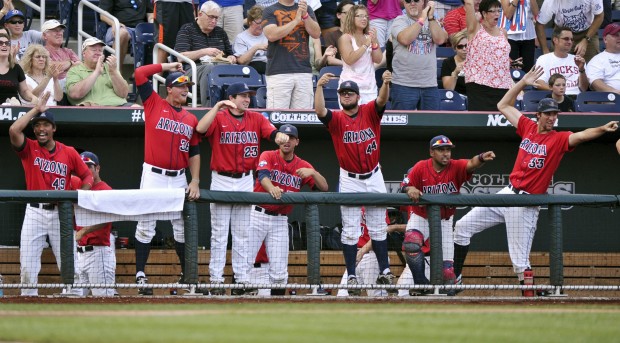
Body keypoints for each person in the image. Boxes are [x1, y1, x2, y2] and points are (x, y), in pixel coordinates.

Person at [453, 66, 619, 295]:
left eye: (554, 114)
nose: (552, 117)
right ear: (538, 115)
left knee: (519, 262)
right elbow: (503, 105)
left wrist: (601, 128)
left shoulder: (558, 139)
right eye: (548, 114)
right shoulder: (528, 127)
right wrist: (522, 83)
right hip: (508, 194)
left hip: (526, 203)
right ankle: (456, 279)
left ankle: (532, 300)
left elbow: (580, 136)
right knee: (462, 227)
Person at [196, 82, 287, 295]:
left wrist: (279, 136)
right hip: (221, 179)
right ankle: (216, 280)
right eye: (242, 96)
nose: (247, 99)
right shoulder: (218, 117)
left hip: (246, 179)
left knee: (242, 234)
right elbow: (200, 129)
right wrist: (218, 106)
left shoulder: (255, 118)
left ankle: (241, 280)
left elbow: (271, 133)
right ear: (231, 98)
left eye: (249, 96)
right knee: (219, 234)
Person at [315, 71, 396, 294]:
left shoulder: (369, 111)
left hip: (374, 174)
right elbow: (320, 110)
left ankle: (385, 271)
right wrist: (320, 88)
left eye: (350, 92)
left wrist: (385, 83)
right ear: (339, 97)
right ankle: (351, 274)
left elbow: (381, 100)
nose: (346, 95)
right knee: (350, 230)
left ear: (358, 96)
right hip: (350, 178)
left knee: (378, 227)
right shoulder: (337, 119)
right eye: (343, 93)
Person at [8, 92, 94, 296]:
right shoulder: (29, 148)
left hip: (60, 213)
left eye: (45, 124)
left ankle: (73, 302)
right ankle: (29, 305)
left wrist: (80, 196)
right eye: (37, 125)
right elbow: (13, 130)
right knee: (28, 266)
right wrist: (36, 110)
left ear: (53, 128)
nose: (40, 129)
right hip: (34, 212)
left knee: (68, 263)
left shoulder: (69, 152)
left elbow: (87, 176)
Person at [133, 62, 202, 295]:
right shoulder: (153, 103)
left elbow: (194, 152)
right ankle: (140, 275)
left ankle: (187, 276)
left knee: (181, 227)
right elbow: (140, 74)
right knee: (146, 225)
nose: (185, 90)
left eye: (188, 86)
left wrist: (195, 180)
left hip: (180, 177)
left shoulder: (191, 119)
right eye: (181, 86)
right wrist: (168, 65)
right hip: (154, 174)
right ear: (169, 89)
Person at [400, 135, 494, 295]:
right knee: (411, 243)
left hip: (444, 220)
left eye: (448, 150)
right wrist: (411, 189)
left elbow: (470, 164)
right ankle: (421, 284)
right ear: (432, 152)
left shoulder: (455, 166)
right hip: (421, 216)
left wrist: (481, 158)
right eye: (441, 150)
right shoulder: (421, 166)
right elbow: (405, 185)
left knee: (447, 274)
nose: (446, 153)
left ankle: (445, 304)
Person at [246, 124, 328, 296]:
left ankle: (277, 311)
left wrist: (312, 172)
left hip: (279, 220)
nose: (287, 141)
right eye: (284, 137)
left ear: (297, 141)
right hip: (257, 215)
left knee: (279, 271)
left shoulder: (302, 165)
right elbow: (262, 176)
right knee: (245, 261)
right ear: (278, 140)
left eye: (291, 138)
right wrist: (272, 188)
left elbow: (324, 188)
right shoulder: (268, 155)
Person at [175, 1, 237, 106]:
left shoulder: (220, 32)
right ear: (200, 14)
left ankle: (237, 107)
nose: (214, 21)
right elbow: (181, 57)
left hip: (219, 67)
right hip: (192, 69)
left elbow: (230, 53)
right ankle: (208, 108)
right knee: (209, 68)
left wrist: (231, 57)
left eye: (216, 18)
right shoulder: (187, 29)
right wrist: (204, 52)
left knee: (238, 68)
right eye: (211, 17)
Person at [263, 0, 321, 109]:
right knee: (277, 117)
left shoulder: (306, 9)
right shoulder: (269, 10)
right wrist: (296, 21)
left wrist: (306, 16)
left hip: (303, 71)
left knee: (304, 118)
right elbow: (271, 35)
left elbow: (316, 33)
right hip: (278, 72)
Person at [390, 0, 448, 110]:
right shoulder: (399, 20)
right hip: (403, 84)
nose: (412, 3)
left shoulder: (432, 21)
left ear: (424, 3)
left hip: (430, 85)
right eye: (408, 1)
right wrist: (422, 19)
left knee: (432, 125)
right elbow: (405, 39)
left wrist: (430, 18)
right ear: (404, 4)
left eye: (416, 0)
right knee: (402, 126)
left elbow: (440, 39)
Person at [74, 151, 117, 297]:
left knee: (103, 300)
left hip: (98, 254)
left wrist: (83, 231)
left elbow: (106, 219)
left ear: (97, 168)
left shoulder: (105, 189)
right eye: (82, 167)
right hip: (79, 255)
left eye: (89, 166)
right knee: (75, 301)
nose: (86, 170)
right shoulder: (79, 187)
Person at [337, 208, 407, 297]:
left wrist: (362, 251)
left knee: (377, 297)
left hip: (372, 257)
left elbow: (380, 234)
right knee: (342, 296)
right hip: (354, 258)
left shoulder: (374, 202)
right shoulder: (351, 203)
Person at [463, 0, 512, 111]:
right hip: (480, 86)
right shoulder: (475, 29)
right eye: (493, 11)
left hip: (503, 86)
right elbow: (469, 3)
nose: (497, 14)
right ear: (484, 14)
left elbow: (502, 57)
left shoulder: (503, 32)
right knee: (480, 124)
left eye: (499, 11)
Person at [338, 4, 383, 105]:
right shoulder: (345, 38)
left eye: (366, 17)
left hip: (370, 88)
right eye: (360, 16)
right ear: (352, 18)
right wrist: (366, 44)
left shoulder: (369, 37)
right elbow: (349, 59)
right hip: (350, 88)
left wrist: (374, 42)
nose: (364, 19)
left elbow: (378, 59)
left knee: (368, 120)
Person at [66, 37, 129, 106]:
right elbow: (75, 94)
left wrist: (114, 73)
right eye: (94, 50)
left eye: (100, 50)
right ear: (84, 53)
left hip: (120, 106)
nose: (97, 53)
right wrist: (96, 72)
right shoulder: (75, 70)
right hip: (95, 110)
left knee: (137, 107)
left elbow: (124, 94)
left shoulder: (111, 68)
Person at [535, 0, 604, 63]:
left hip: (587, 32)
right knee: (557, 65)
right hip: (562, 33)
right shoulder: (551, 1)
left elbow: (599, 16)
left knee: (592, 65)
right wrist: (545, 51)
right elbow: (540, 24)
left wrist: (586, 40)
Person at [534, 27, 588, 96]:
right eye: (566, 39)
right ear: (555, 40)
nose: (570, 42)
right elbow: (539, 83)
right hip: (555, 98)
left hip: (576, 98)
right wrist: (555, 91)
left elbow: (584, 88)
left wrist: (581, 69)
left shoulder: (578, 60)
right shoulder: (543, 59)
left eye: (571, 39)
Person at [100, 0, 154, 65]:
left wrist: (152, 23)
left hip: (140, 29)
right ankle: (116, 72)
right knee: (122, 33)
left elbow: (150, 13)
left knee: (158, 34)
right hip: (119, 27)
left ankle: (139, 73)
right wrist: (114, 23)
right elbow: (103, 15)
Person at [498, 0, 539, 73]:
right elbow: (508, 14)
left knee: (528, 69)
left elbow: (536, 13)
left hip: (528, 35)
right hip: (511, 35)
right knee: (513, 68)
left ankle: (527, 84)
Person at [42, 19, 80, 90]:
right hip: (53, 87)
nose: (59, 33)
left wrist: (65, 67)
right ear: (45, 35)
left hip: (72, 84)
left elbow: (80, 66)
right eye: (55, 30)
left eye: (60, 30)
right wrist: (70, 63)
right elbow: (53, 68)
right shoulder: (41, 51)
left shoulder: (68, 51)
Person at [0, 32, 37, 105]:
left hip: (14, 110)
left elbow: (24, 91)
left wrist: (33, 97)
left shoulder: (16, 68)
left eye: (7, 43)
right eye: (0, 43)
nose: (4, 45)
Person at [153, 0, 195, 64]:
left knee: (188, 41)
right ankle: (158, 73)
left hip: (187, 3)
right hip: (166, 3)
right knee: (163, 42)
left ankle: (187, 73)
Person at [233, 5, 268, 74]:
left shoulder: (268, 34)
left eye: (263, 23)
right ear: (250, 22)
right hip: (251, 68)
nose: (261, 26)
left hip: (270, 66)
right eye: (258, 23)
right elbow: (242, 61)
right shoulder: (241, 37)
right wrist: (256, 48)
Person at [586, 23, 620, 94]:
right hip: (612, 100)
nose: (619, 37)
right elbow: (595, 82)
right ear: (605, 39)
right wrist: (615, 92)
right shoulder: (597, 60)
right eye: (616, 35)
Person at [441, 29, 468, 95]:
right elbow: (448, 89)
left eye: (467, 45)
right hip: (456, 97)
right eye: (460, 46)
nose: (464, 49)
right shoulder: (448, 63)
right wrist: (455, 73)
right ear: (454, 48)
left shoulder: (476, 61)